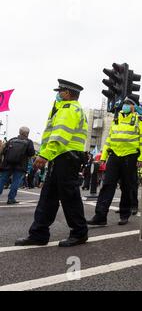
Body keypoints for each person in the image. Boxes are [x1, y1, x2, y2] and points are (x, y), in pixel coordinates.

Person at [15, 79, 88, 247]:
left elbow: (60, 137)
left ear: (68, 93)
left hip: (66, 156)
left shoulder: (69, 109)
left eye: (60, 91)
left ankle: (79, 233)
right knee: (48, 196)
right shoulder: (63, 109)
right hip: (61, 156)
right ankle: (39, 233)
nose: (58, 94)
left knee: (69, 196)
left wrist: (45, 155)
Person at [87, 96, 142, 226]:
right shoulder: (116, 119)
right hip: (114, 156)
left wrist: (141, 158)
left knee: (127, 187)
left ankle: (124, 214)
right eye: (125, 103)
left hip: (130, 157)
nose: (125, 105)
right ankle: (100, 216)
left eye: (129, 104)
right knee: (107, 185)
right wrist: (103, 157)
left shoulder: (139, 120)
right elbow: (109, 140)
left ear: (134, 107)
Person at [0, 127, 35, 204]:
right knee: (15, 182)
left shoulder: (11, 140)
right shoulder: (29, 142)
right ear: (27, 133)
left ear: (19, 132)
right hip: (20, 165)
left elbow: (4, 151)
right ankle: (11, 199)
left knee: (2, 180)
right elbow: (31, 153)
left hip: (7, 164)